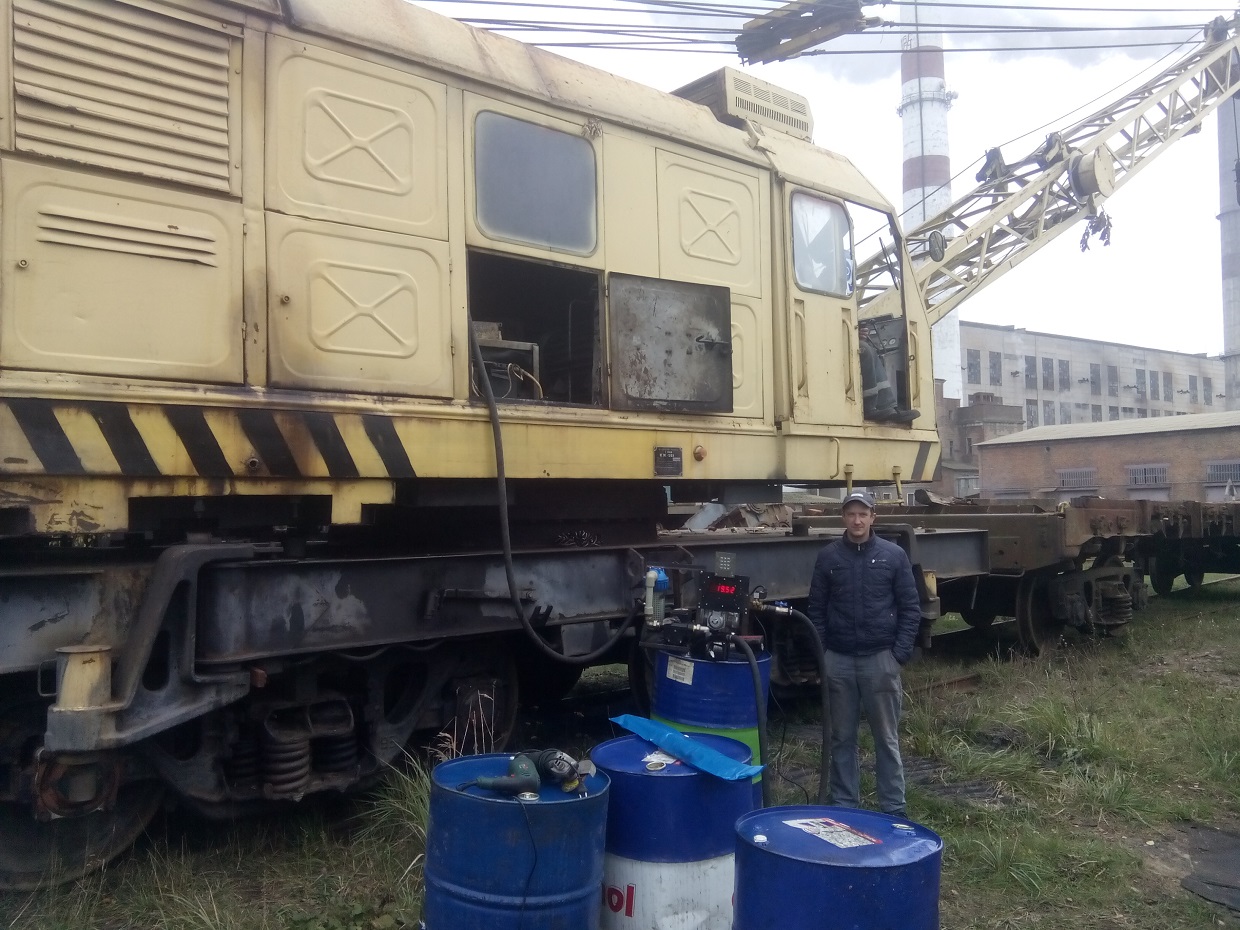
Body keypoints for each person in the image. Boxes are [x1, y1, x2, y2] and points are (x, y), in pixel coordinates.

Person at [807, 490, 921, 816]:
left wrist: (897, 656)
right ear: (843, 517)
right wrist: (825, 655)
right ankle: (845, 805)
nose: (857, 520)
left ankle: (893, 808)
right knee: (841, 737)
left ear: (873, 517)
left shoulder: (893, 556)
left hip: (880, 661)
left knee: (886, 737)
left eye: (863, 514)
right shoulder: (828, 557)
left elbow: (911, 607)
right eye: (851, 514)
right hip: (839, 661)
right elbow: (816, 610)